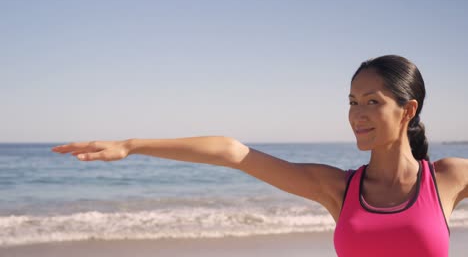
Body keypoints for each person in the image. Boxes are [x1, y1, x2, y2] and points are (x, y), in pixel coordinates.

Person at [51, 55, 467, 256]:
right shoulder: (338, 188)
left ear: (407, 109)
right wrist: (132, 145)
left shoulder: (445, 178)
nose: (357, 114)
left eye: (372, 102)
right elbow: (233, 153)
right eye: (352, 101)